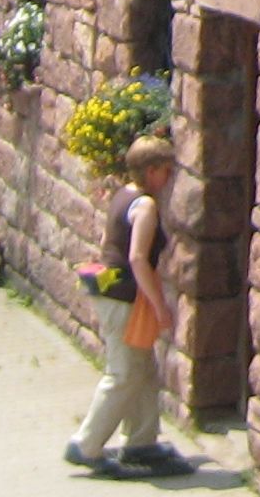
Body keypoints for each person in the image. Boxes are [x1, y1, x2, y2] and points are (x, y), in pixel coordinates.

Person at [66, 136, 189, 477]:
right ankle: (86, 445)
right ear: (151, 171)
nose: (170, 178)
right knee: (123, 373)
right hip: (125, 298)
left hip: (112, 292)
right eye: (166, 171)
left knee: (143, 369)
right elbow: (137, 258)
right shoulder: (147, 206)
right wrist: (159, 304)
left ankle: (141, 441)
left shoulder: (123, 195)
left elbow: (109, 244)